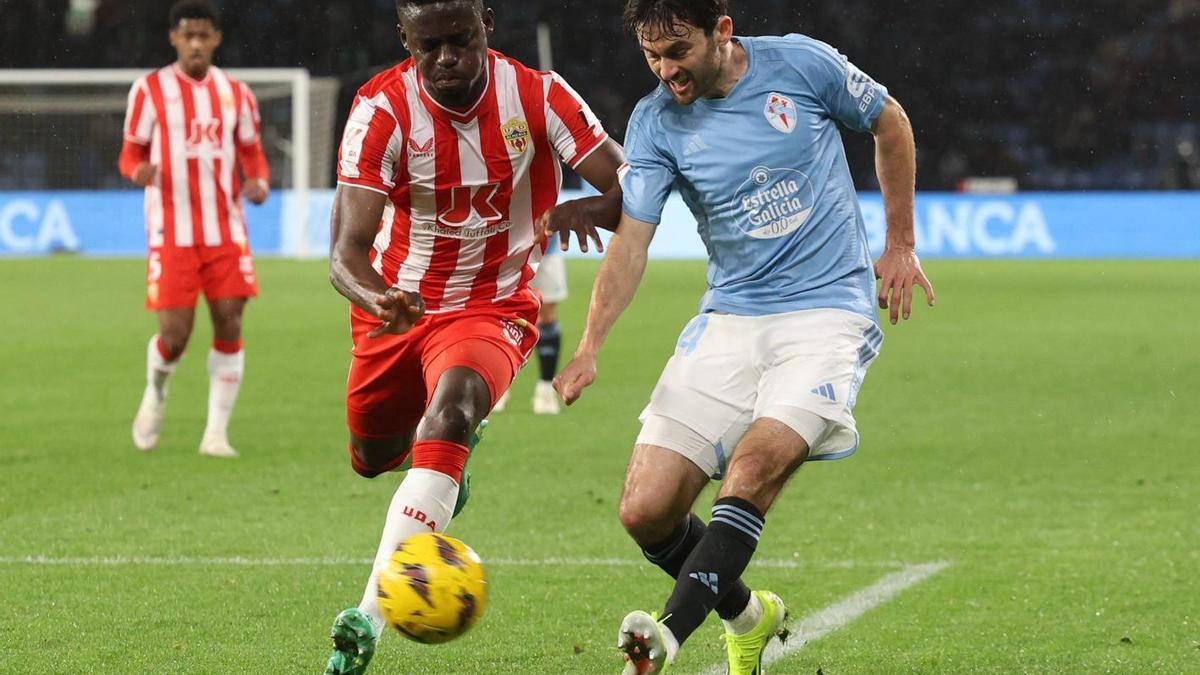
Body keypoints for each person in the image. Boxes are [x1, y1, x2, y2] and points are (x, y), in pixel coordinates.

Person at [551, 1, 936, 672]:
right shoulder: (655, 122)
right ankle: (750, 617)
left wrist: (899, 241)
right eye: (652, 56)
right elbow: (631, 244)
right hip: (730, 318)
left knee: (752, 469)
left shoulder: (801, 64)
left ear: (721, 31)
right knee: (645, 511)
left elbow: (890, 122)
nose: (665, 70)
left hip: (826, 316)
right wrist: (589, 344)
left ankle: (663, 637)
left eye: (676, 51)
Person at [322, 1, 624, 673]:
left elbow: (630, 180)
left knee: (453, 409)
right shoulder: (381, 111)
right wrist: (382, 299)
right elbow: (344, 253)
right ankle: (445, 474)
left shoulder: (540, 96)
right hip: (399, 307)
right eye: (429, 46)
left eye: (460, 40)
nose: (446, 58)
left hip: (495, 304)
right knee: (374, 454)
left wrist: (595, 204)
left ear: (487, 22)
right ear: (405, 39)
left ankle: (365, 619)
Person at [123, 0, 269, 459]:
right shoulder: (149, 91)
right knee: (174, 335)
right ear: (174, 38)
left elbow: (251, 151)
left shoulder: (237, 93)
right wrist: (138, 172)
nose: (196, 43)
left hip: (225, 228)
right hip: (173, 231)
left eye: (204, 35)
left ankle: (215, 434)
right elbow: (129, 153)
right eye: (188, 35)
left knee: (230, 321)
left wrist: (258, 179)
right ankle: (156, 390)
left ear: (216, 39)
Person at [493, 230, 569, 414]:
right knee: (499, 314)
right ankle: (498, 388)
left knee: (547, 314)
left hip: (545, 248)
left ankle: (545, 391)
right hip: (503, 249)